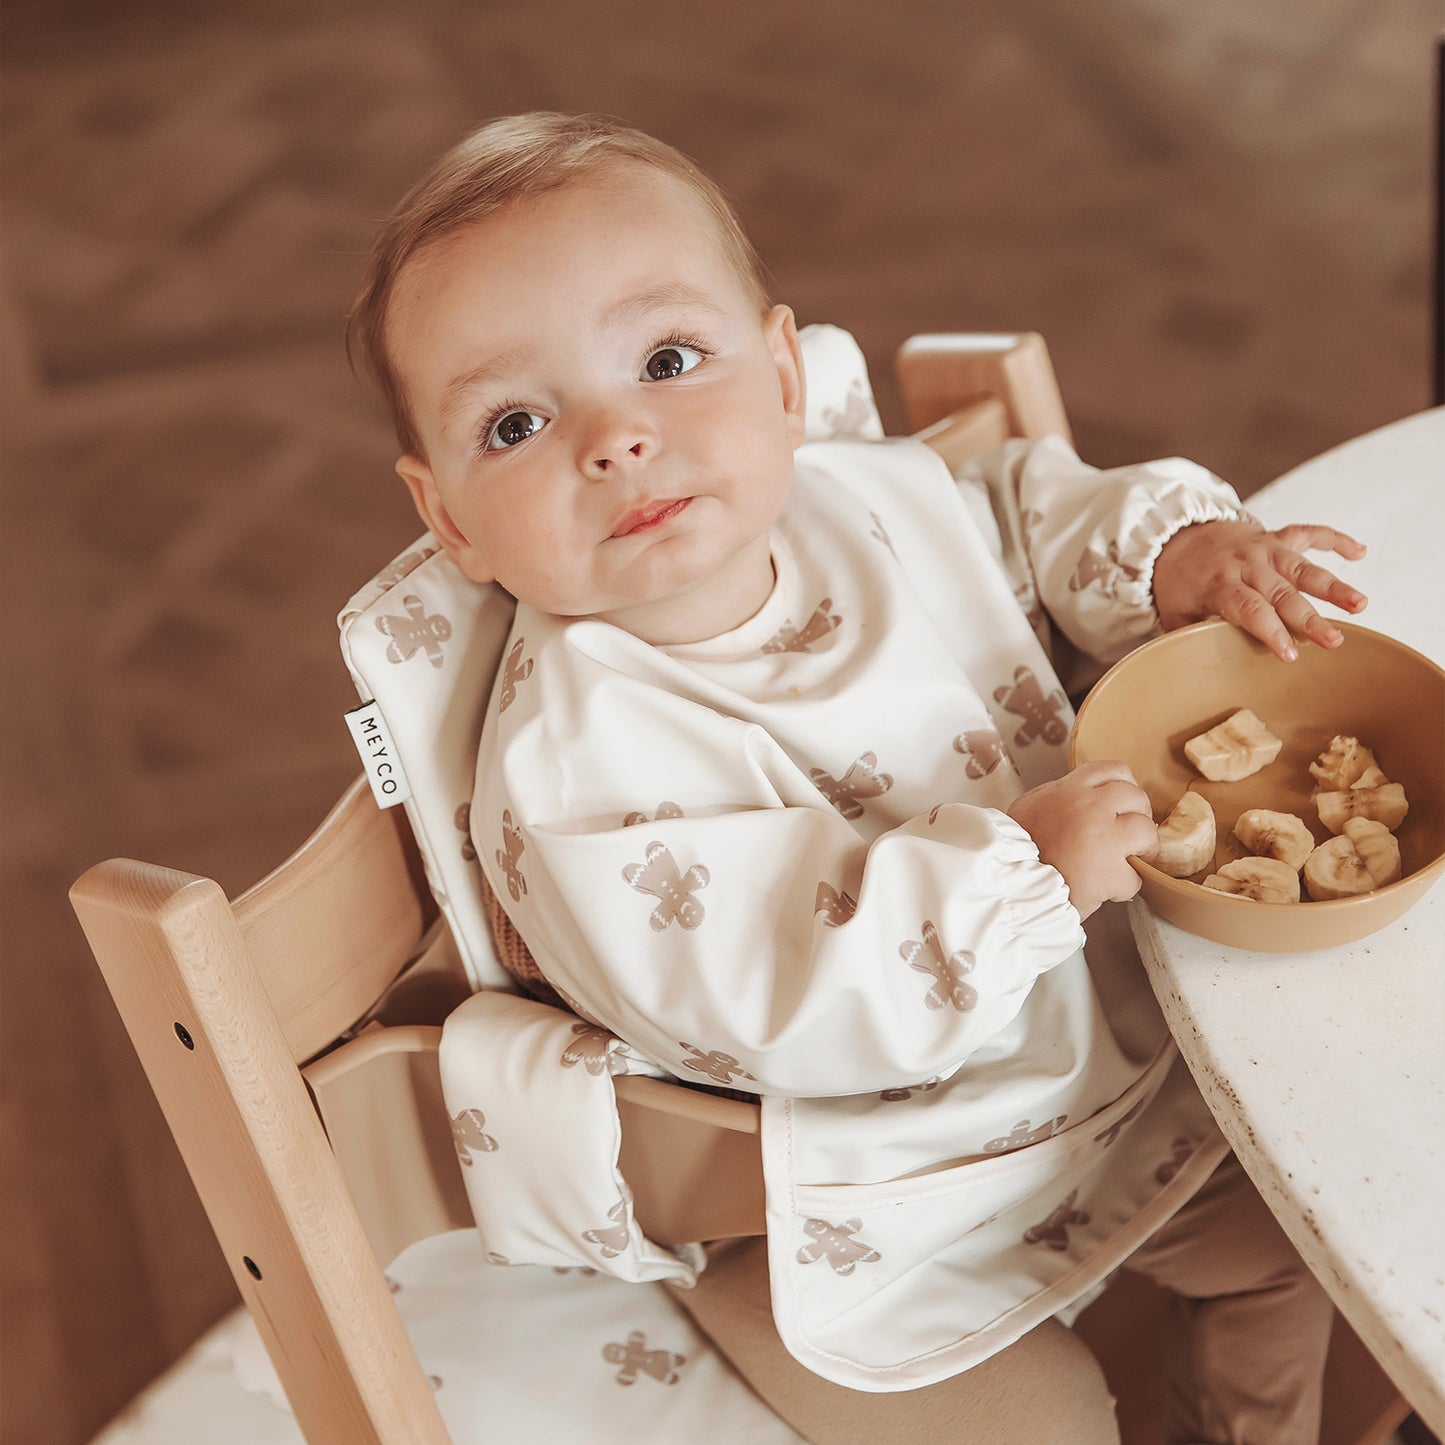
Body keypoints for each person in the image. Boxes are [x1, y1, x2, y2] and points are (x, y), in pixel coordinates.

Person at [349, 112, 1362, 1444]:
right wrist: (1018, 874)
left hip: (1087, 1078)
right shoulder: (576, 767)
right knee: (1044, 1426)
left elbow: (1019, 514)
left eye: (666, 360)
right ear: (450, 520)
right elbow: (772, 991)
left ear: (780, 378)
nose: (615, 437)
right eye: (516, 422)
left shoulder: (860, 497)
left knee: (1293, 1243)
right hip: (840, 1197)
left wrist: (1164, 559)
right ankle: (769, 1317)